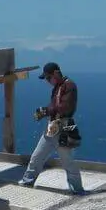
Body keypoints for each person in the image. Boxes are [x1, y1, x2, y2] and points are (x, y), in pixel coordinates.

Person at [19, 61, 85, 194]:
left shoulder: (69, 85)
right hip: (53, 126)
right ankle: (27, 181)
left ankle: (78, 190)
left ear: (56, 73)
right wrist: (45, 112)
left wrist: (46, 110)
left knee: (67, 161)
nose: (48, 81)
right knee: (37, 156)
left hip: (65, 126)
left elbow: (66, 107)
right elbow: (55, 107)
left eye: (49, 77)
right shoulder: (57, 87)